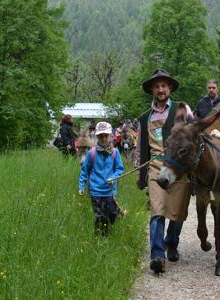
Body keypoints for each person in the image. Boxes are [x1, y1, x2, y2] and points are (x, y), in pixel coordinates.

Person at [135, 68, 193, 274]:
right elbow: (141, 148)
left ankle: (172, 242)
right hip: (156, 167)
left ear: (169, 88)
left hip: (178, 169)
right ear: (152, 90)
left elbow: (194, 136)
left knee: (177, 213)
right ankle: (157, 255)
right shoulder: (144, 118)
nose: (160, 89)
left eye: (164, 85)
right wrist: (140, 176)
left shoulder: (182, 110)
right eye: (157, 86)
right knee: (157, 211)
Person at [78, 122, 124, 235]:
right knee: (100, 216)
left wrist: (113, 177)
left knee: (112, 214)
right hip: (95, 190)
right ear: (97, 136)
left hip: (110, 191)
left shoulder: (115, 152)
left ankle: (109, 225)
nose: (103, 138)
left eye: (106, 135)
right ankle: (101, 238)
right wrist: (81, 186)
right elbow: (84, 170)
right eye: (100, 136)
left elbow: (119, 169)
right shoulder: (91, 153)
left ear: (110, 136)